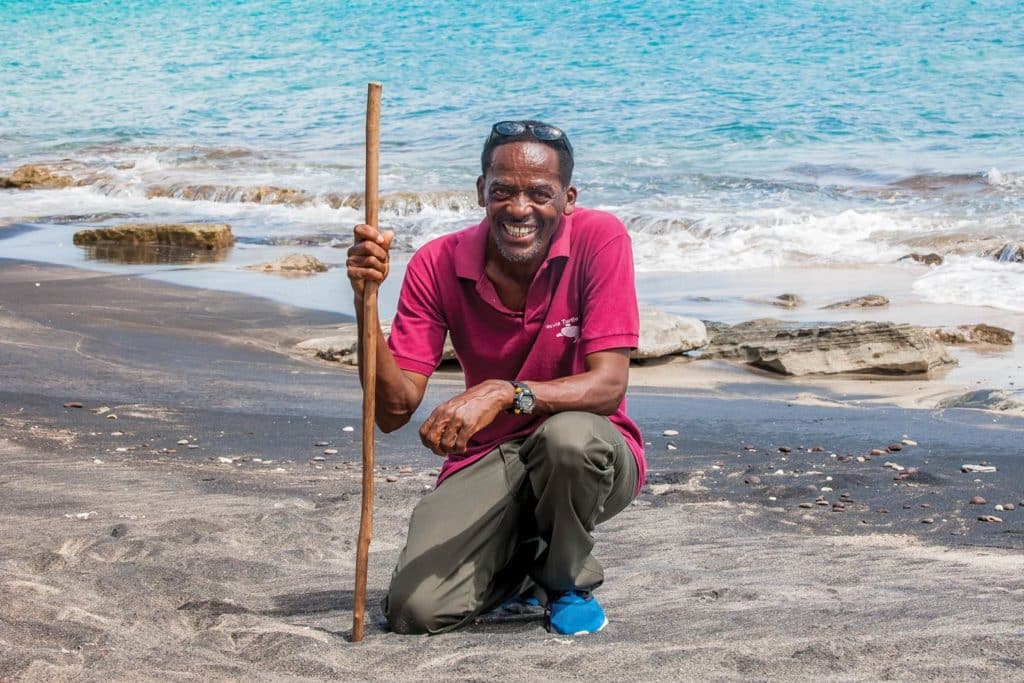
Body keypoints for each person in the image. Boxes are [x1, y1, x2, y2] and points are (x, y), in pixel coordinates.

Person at [346, 120, 645, 636]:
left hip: (593, 453)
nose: (520, 208)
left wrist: (506, 392)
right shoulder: (438, 262)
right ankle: (521, 564)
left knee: (566, 440)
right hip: (491, 457)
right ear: (482, 191)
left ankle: (564, 580)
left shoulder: (601, 238)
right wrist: (365, 305)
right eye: (503, 190)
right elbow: (393, 412)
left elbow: (608, 386)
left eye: (540, 193)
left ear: (568, 198)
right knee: (415, 611)